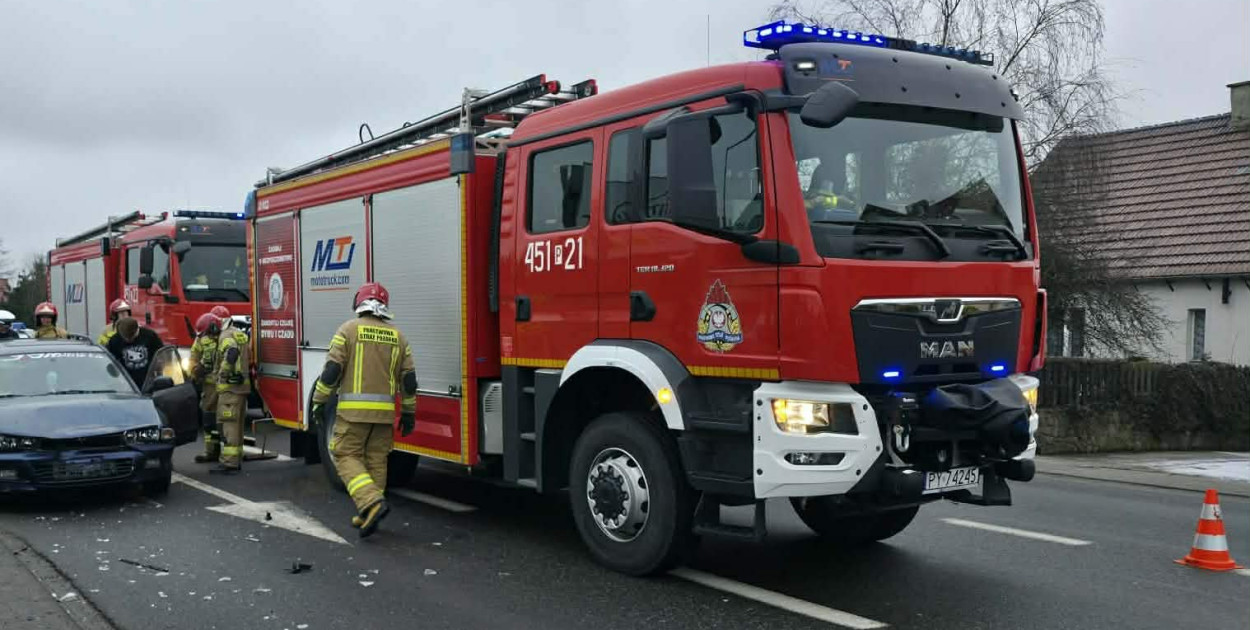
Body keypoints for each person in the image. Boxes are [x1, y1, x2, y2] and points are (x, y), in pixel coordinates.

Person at [311, 282, 416, 538]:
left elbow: (332, 371)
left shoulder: (348, 330)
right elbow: (409, 381)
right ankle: (368, 512)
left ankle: (370, 502)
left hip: (353, 413)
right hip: (384, 415)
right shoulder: (398, 336)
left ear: (359, 303)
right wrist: (410, 413)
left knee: (344, 454)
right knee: (376, 460)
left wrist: (319, 400)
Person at [211, 315, 250, 475]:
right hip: (241, 388)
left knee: (228, 425)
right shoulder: (239, 333)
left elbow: (232, 352)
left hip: (230, 388)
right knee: (237, 424)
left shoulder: (226, 336)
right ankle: (236, 458)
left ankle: (229, 462)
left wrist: (222, 373)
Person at [188, 313, 223, 464]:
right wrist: (195, 370)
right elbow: (192, 359)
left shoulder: (226, 337)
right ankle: (211, 451)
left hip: (228, 384)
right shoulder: (200, 340)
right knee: (209, 419)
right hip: (209, 386)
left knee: (228, 419)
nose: (205, 336)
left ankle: (230, 453)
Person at [106, 317, 164, 387]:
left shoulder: (149, 336)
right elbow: (110, 360)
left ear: (137, 330)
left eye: (131, 337)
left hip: (148, 382)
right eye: (125, 338)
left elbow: (161, 355)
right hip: (126, 383)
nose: (128, 340)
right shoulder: (115, 340)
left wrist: (158, 372)